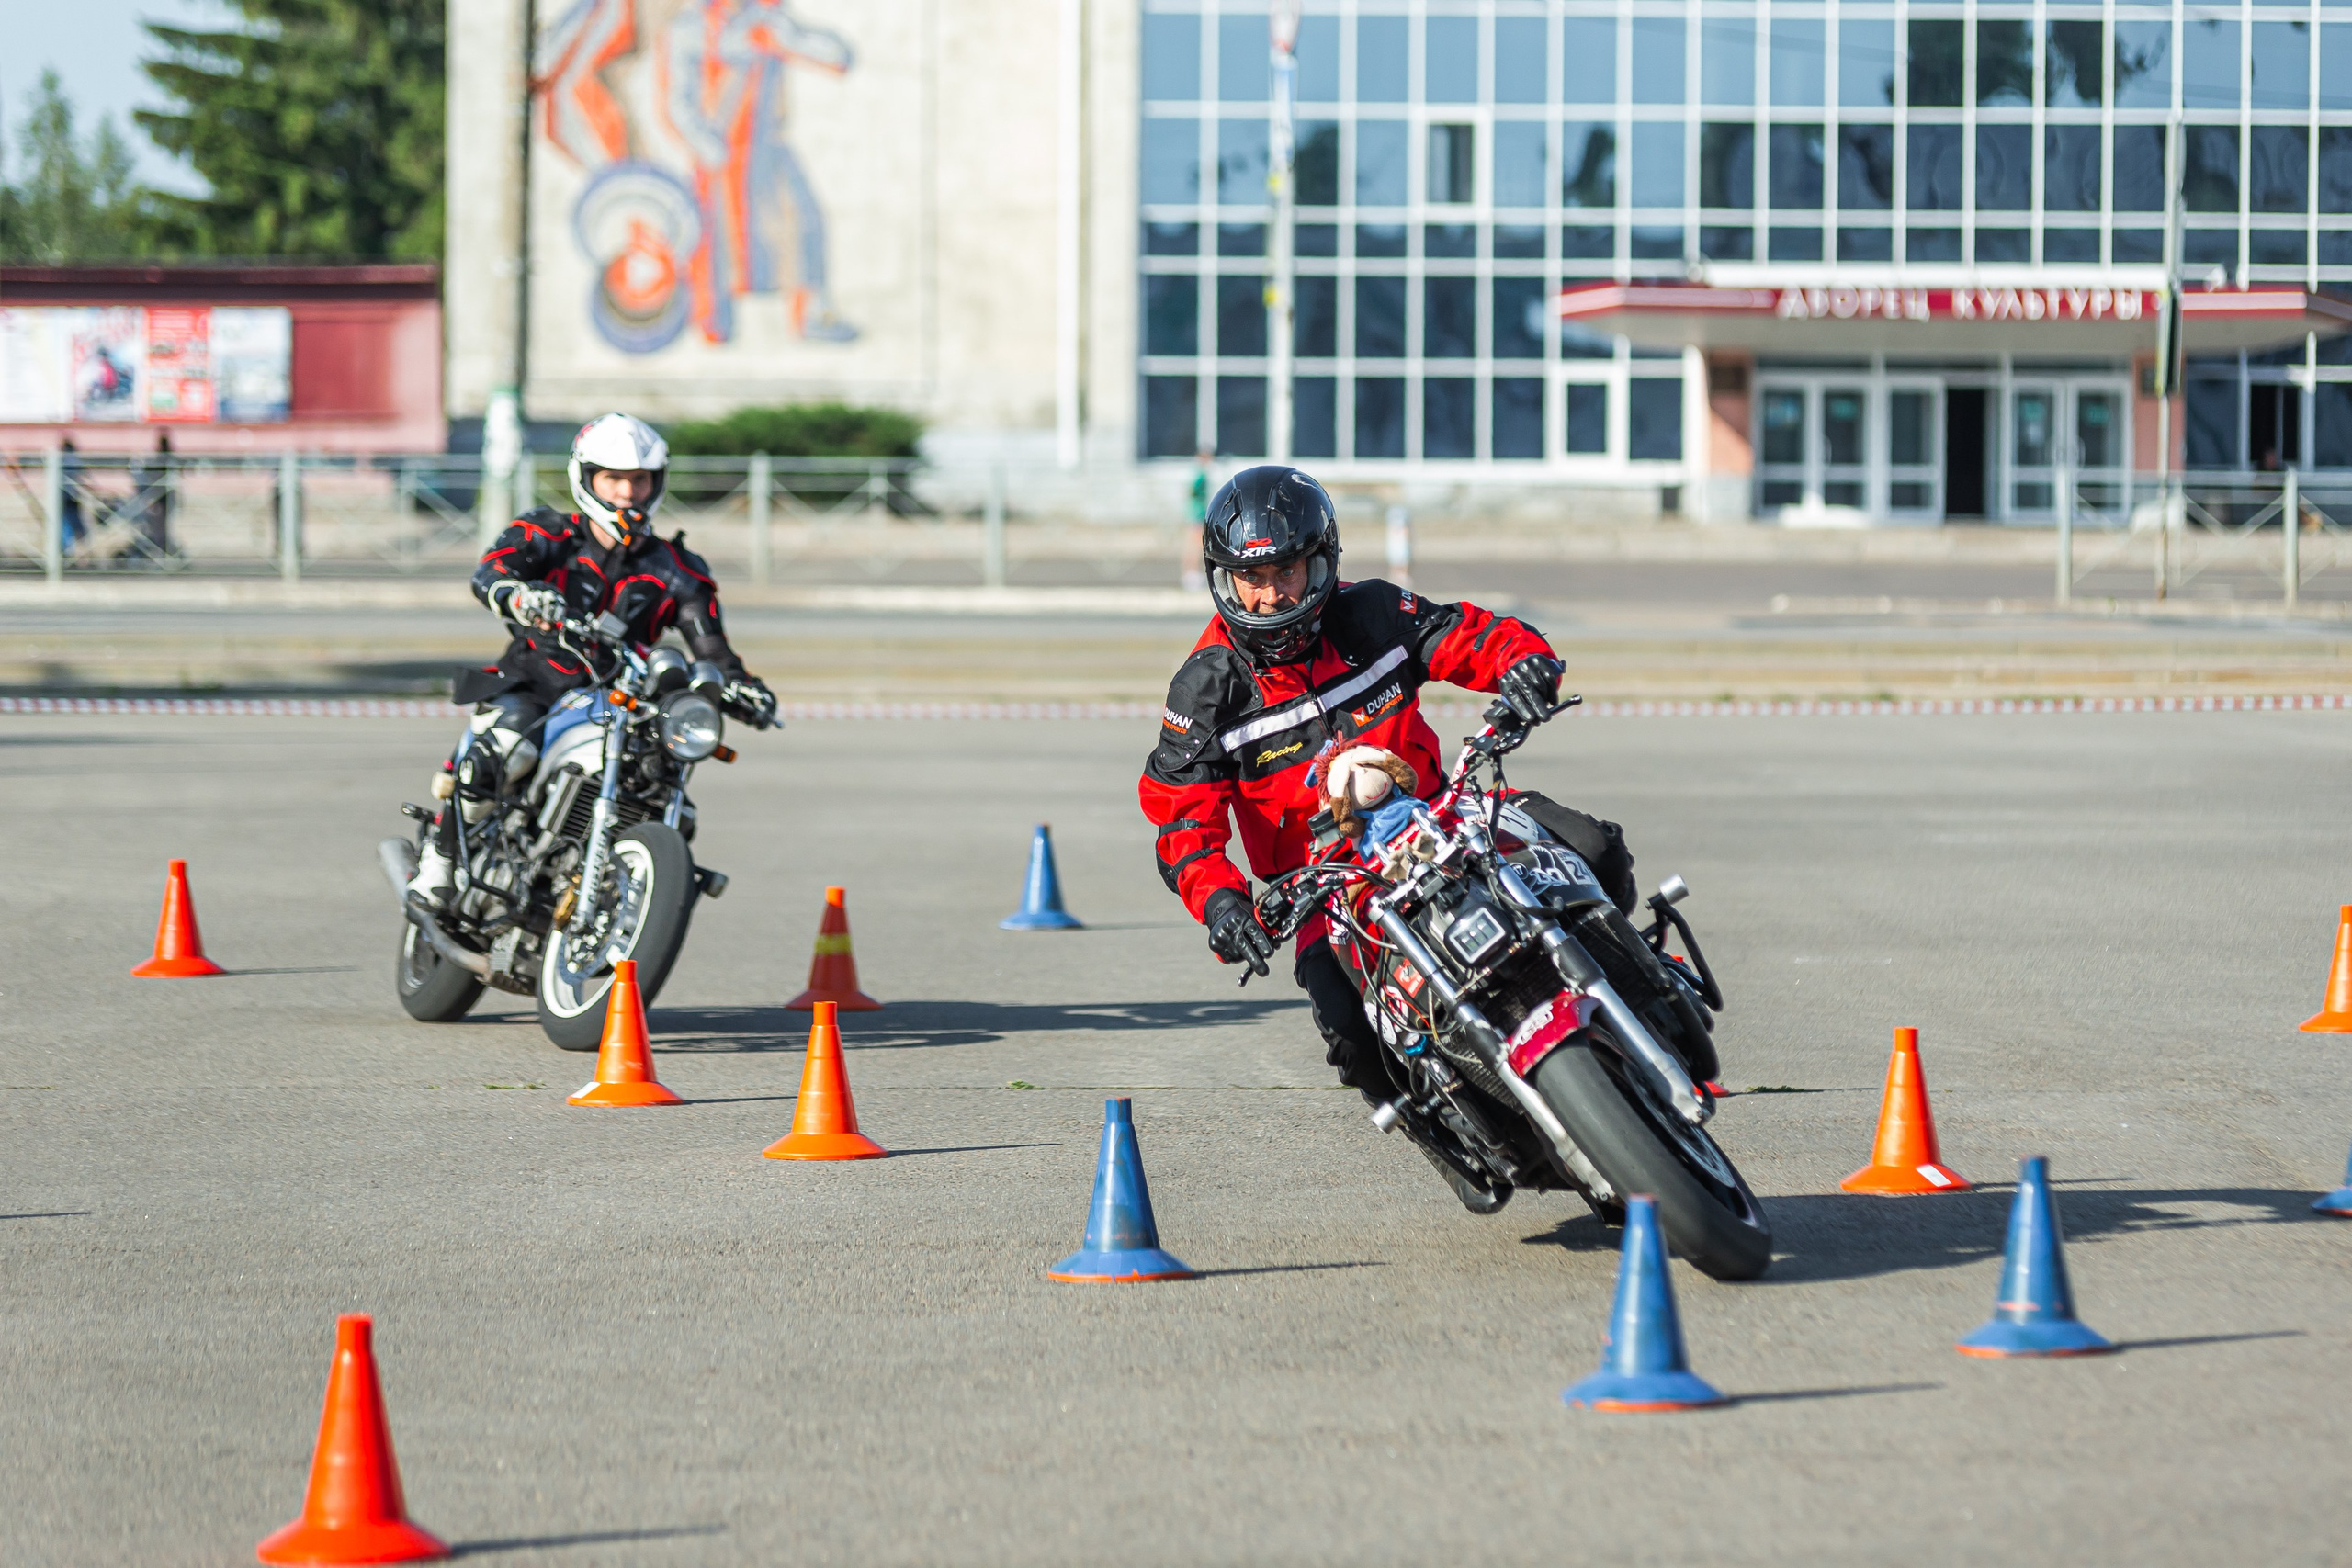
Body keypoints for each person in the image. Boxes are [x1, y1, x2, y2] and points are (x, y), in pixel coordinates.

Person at [1136, 464, 1637, 1207]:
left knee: (1590, 849)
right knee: (1345, 1021)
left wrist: (1524, 665)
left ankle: (1640, 995)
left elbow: (1463, 635)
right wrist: (1223, 905)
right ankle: (1447, 1133)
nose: (1270, 592)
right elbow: (1184, 822)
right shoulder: (1205, 689)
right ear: (1224, 579)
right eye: (1251, 576)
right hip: (1328, 886)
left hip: (1442, 813)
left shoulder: (1369, 613)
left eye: (1286, 569)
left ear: (1321, 561)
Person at [406, 412, 776, 908]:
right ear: (587, 479)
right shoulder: (548, 532)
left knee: (668, 793)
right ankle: (442, 859)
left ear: (656, 483)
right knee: (497, 754)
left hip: (623, 701)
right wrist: (516, 595)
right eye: (614, 479)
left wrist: (741, 686)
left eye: (639, 480)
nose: (627, 493)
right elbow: (490, 572)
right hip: (538, 683)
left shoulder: (680, 570)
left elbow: (712, 647)